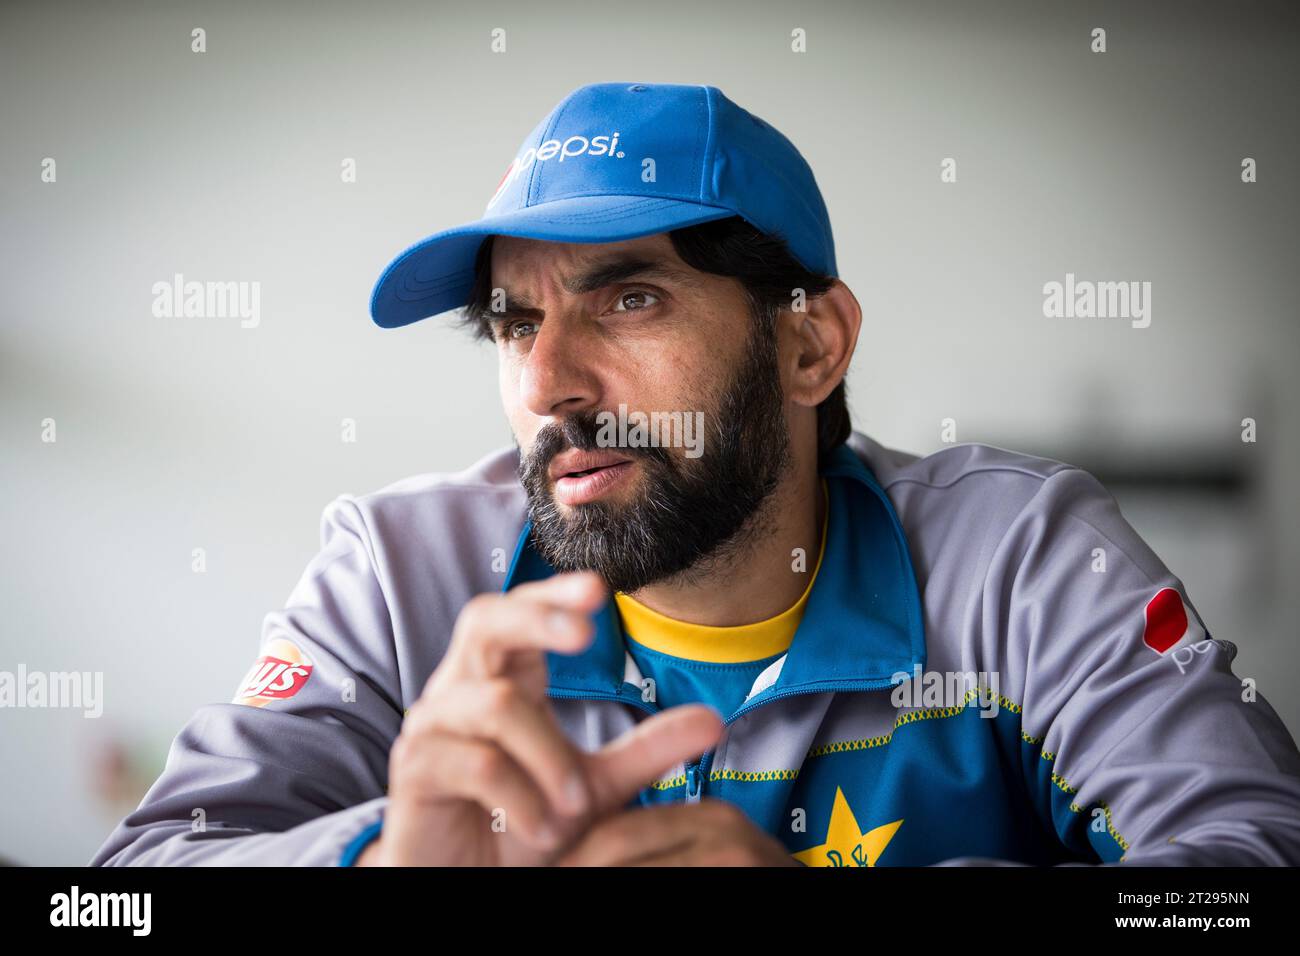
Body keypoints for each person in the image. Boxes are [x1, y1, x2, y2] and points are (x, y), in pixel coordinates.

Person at [91, 82, 1300, 867]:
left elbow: (1248, 857)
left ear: (807, 343)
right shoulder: (400, 573)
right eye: (514, 322)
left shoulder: (1021, 556)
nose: (549, 382)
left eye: (628, 298)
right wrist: (389, 854)